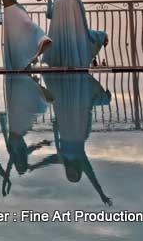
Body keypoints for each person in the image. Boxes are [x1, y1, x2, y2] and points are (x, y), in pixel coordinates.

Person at [28, 73, 113, 206]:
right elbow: (92, 178)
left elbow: (49, 159)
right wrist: (101, 194)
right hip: (80, 127)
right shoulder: (82, 161)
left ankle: (36, 82)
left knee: (64, 98)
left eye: (70, 175)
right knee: (100, 100)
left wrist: (35, 166)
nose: (72, 173)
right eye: (75, 175)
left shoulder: (63, 159)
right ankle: (85, 84)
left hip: (67, 125)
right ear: (78, 172)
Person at [0, 73, 53, 195]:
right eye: (23, 165)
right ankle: (30, 83)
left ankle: (30, 83)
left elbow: (7, 171)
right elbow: (34, 147)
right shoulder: (24, 153)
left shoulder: (13, 155)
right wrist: (43, 143)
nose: (22, 163)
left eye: (21, 165)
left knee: (36, 108)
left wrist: (5, 185)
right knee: (36, 108)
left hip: (16, 126)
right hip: (20, 128)